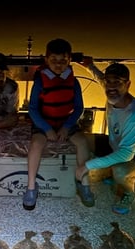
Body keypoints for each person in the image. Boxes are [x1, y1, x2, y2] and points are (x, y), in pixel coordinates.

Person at [76, 61, 135, 215]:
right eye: (108, 82)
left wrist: (87, 166)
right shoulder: (112, 93)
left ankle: (128, 193)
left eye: (117, 82)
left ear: (128, 84)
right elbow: (101, 78)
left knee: (120, 170)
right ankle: (109, 172)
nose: (111, 87)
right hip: (115, 145)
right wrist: (89, 66)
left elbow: (126, 154)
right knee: (81, 139)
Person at [23, 38, 94, 211]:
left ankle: (84, 184)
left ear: (69, 60)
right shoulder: (40, 81)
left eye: (63, 60)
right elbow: (32, 108)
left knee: (83, 142)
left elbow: (78, 108)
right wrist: (46, 129)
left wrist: (67, 127)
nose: (58, 64)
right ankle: (31, 187)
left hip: (65, 122)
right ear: (46, 60)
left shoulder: (74, 82)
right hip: (43, 122)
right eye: (54, 60)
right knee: (36, 144)